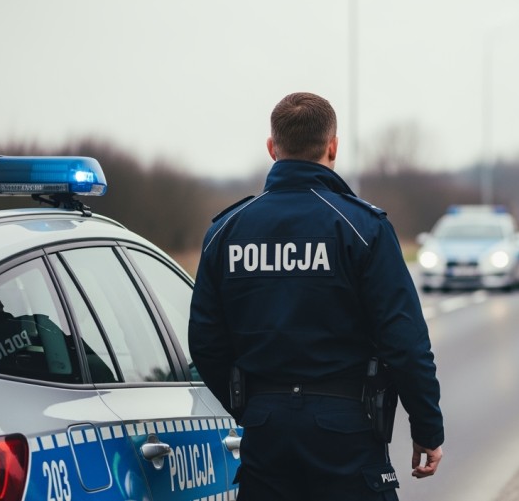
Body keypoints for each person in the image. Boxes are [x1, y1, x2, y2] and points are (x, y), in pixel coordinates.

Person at [189, 92, 444, 500]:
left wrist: (252, 407)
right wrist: (427, 427)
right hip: (347, 430)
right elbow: (405, 341)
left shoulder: (226, 232)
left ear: (272, 148)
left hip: (265, 433)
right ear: (333, 147)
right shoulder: (362, 227)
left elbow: (205, 341)